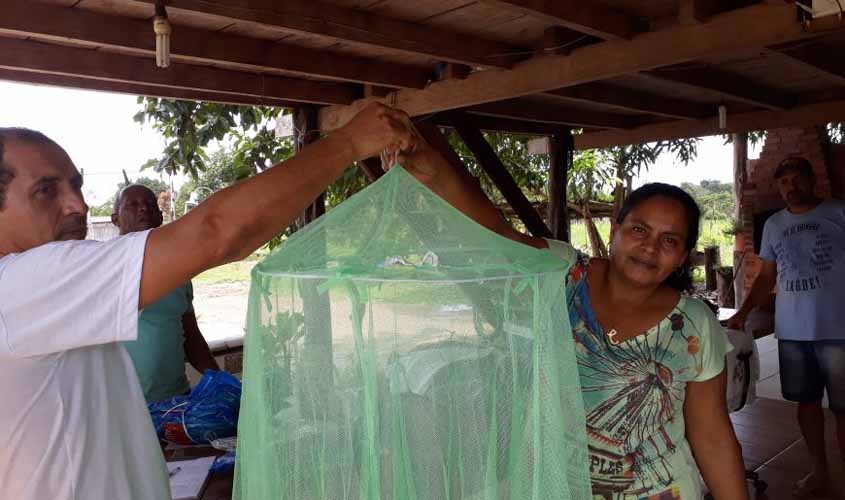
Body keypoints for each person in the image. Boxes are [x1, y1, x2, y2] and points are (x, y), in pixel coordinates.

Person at [0, 103, 417, 500]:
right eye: (46, 190)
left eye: (76, 185)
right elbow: (216, 232)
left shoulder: (39, 292)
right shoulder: (22, 284)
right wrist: (348, 143)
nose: (77, 204)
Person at [393, 143, 748, 499]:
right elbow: (500, 238)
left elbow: (712, 435)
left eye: (669, 240)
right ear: (615, 230)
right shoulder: (562, 276)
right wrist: (435, 168)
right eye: (639, 229)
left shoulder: (693, 322)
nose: (650, 247)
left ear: (683, 256)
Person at [727, 156, 845, 497]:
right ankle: (819, 471)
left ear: (812, 180)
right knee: (806, 405)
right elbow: (766, 276)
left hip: (838, 329)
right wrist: (743, 312)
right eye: (784, 183)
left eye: (797, 179)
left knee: (843, 408)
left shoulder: (838, 212)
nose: (791, 188)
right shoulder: (774, 225)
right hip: (793, 331)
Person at [112, 184, 219, 403]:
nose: (143, 209)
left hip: (175, 401)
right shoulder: (104, 269)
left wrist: (219, 380)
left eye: (150, 204)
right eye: (132, 205)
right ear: (116, 219)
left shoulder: (178, 271)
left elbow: (190, 335)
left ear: (160, 217)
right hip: (125, 409)